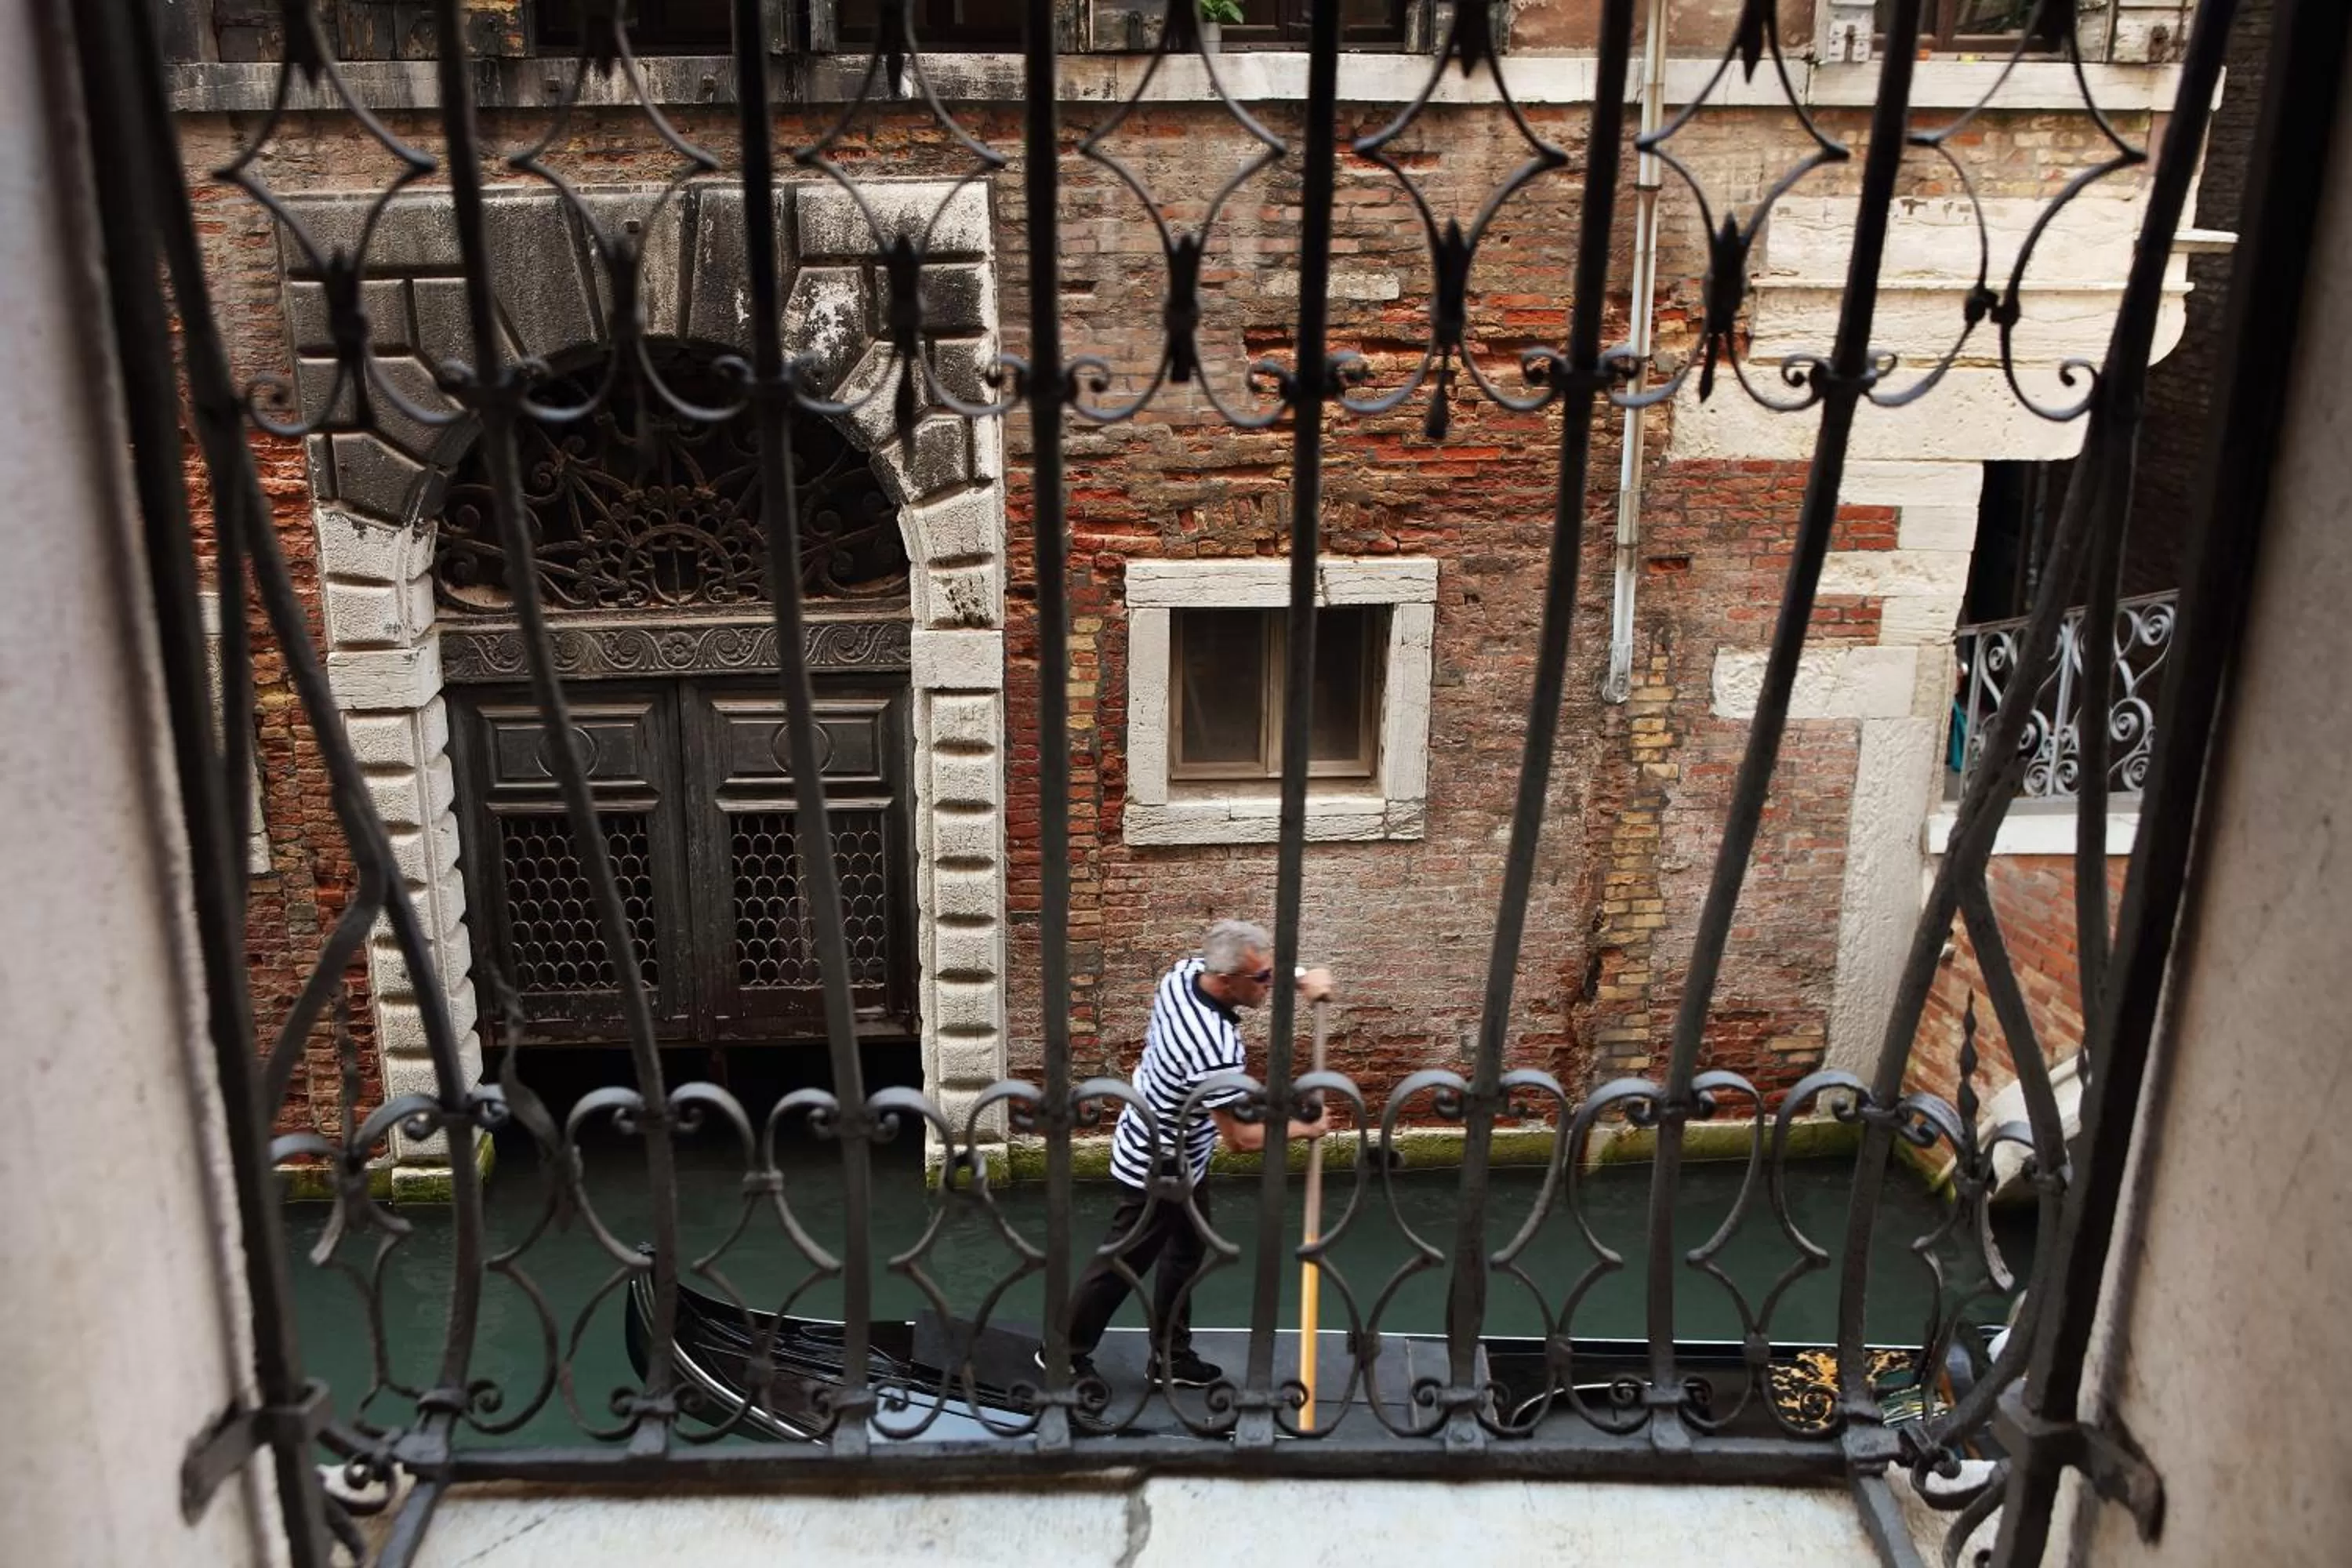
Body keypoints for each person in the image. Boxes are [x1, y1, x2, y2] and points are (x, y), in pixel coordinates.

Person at [1046, 919, 1335, 1389]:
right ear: (1226, 983)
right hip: (1157, 1166)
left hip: (1182, 1154)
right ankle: (1061, 1354)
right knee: (1123, 1263)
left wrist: (1301, 977)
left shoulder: (1182, 975)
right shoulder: (1212, 1047)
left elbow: (1249, 964)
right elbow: (1240, 1140)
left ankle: (1170, 1359)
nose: (1269, 986)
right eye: (1262, 981)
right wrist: (1307, 1128)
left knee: (1185, 1251)